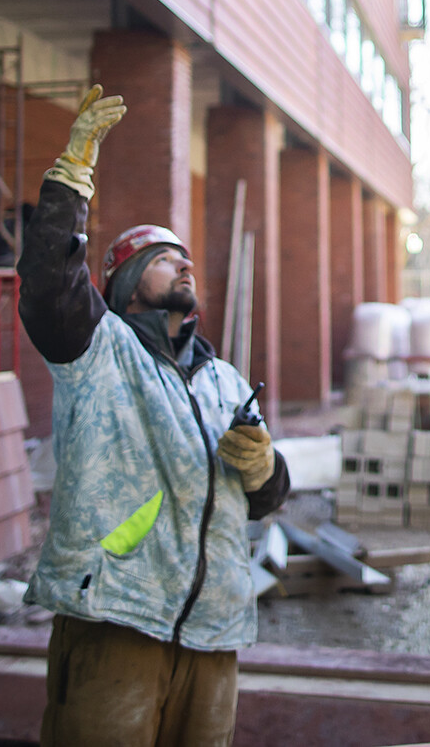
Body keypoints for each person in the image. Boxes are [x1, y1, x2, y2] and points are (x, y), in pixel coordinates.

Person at [18, 86, 290, 747]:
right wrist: (70, 179)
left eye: (186, 256)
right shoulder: (98, 347)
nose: (186, 262)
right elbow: (49, 282)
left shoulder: (223, 378)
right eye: (167, 257)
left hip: (214, 626)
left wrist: (265, 467)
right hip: (118, 612)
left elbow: (267, 499)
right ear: (128, 278)